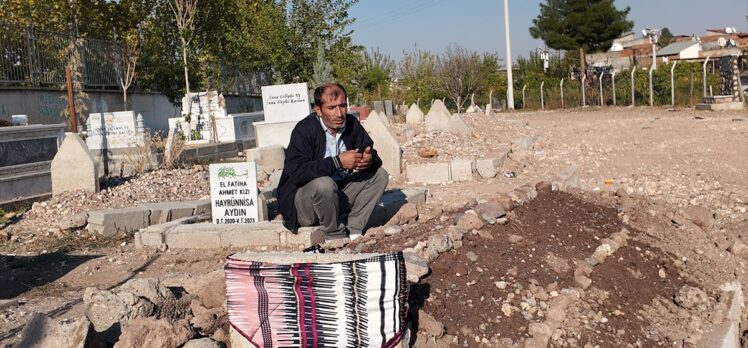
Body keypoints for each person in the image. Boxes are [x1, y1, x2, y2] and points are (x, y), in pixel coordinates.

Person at [277, 83, 388, 241]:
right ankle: (334, 234)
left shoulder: (350, 124)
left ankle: (354, 227)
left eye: (342, 106)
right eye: (331, 107)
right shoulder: (305, 130)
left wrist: (369, 161)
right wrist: (337, 162)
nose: (339, 113)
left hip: (335, 198)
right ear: (318, 109)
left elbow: (372, 153)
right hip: (305, 206)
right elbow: (296, 172)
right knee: (324, 183)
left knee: (380, 175)